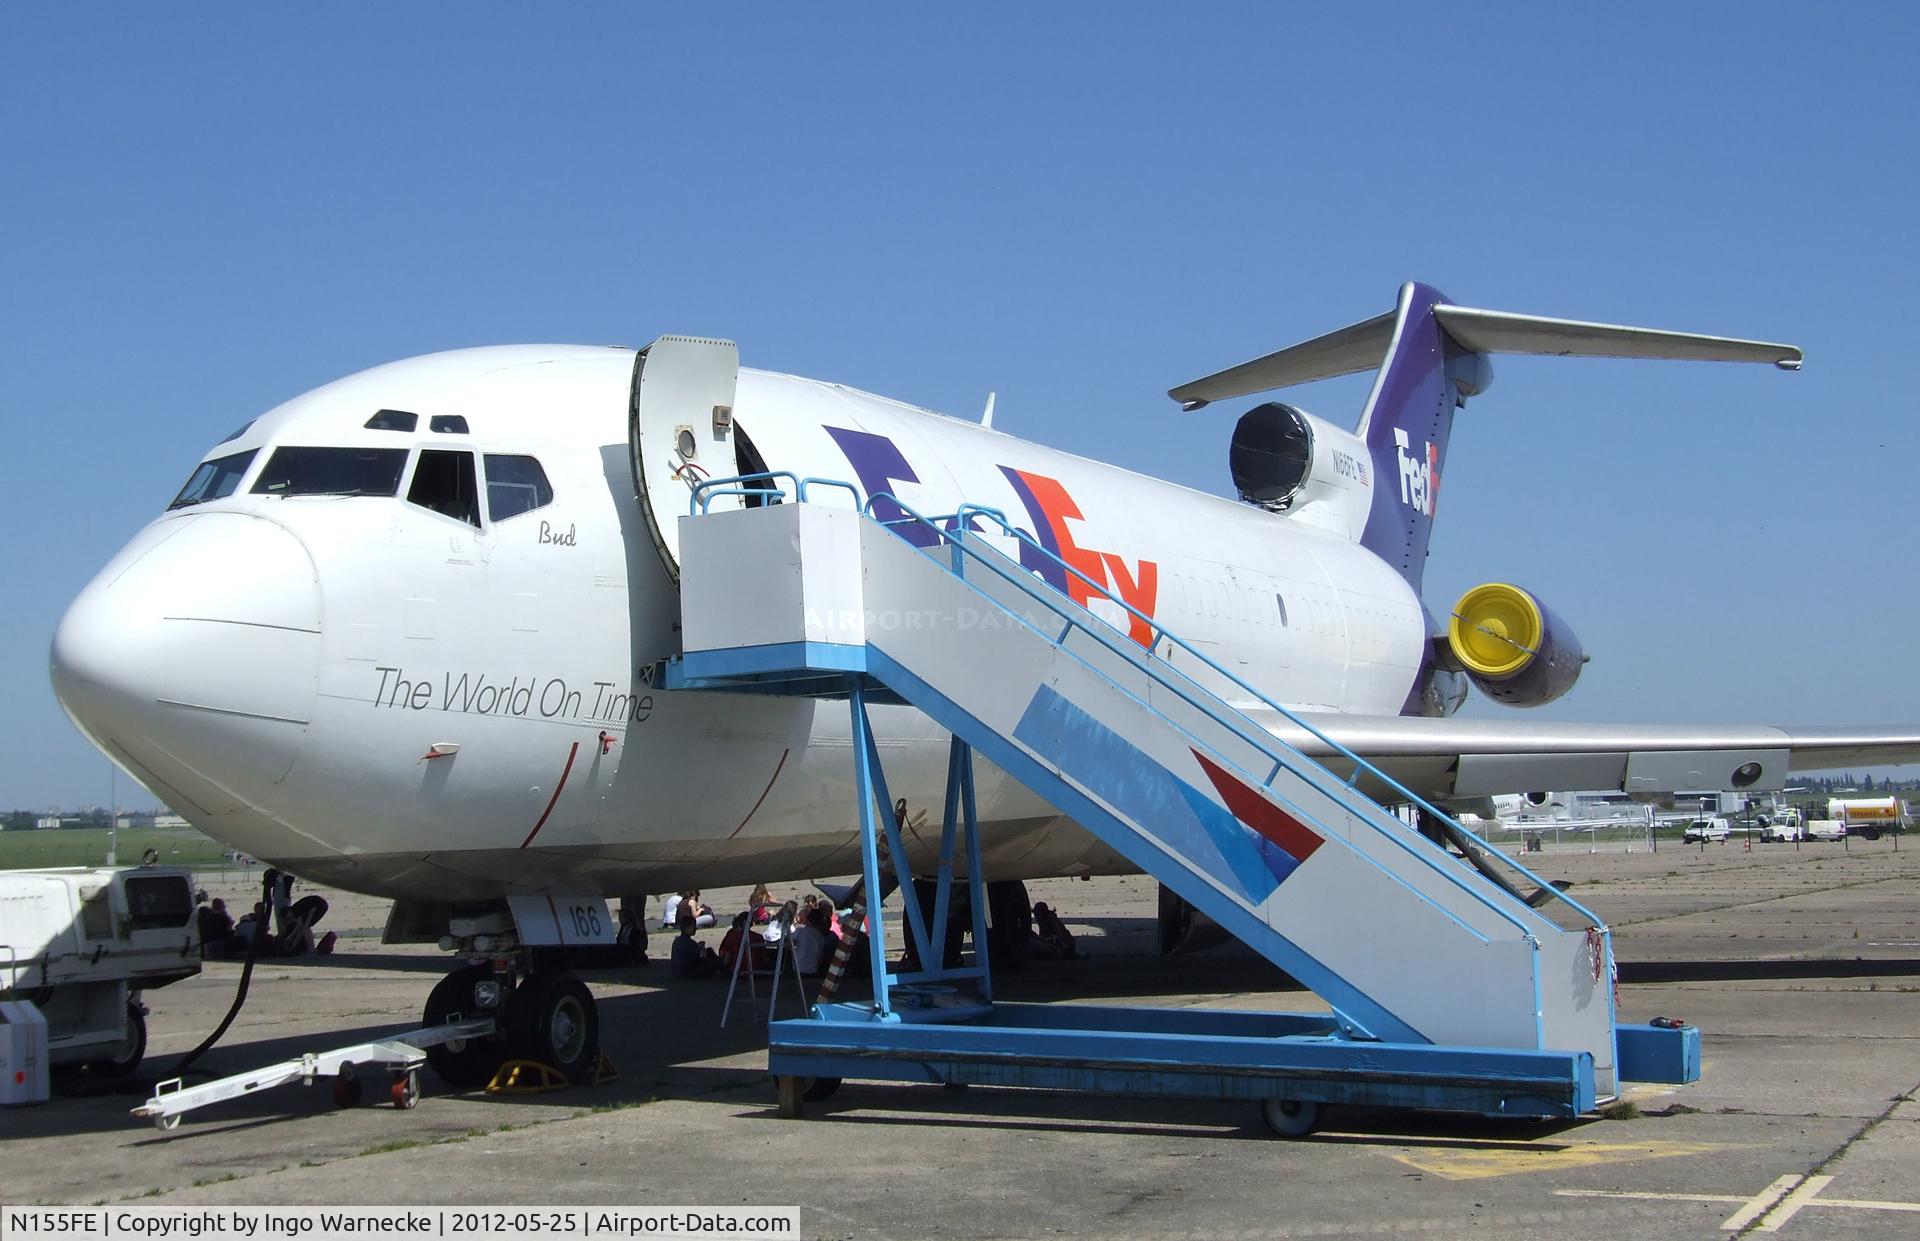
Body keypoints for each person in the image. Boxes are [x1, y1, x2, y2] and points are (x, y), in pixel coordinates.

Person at [668, 909, 722, 979]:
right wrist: (702, 948)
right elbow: (702, 957)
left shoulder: (678, 940)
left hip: (677, 972)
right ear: (686, 928)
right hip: (687, 973)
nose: (695, 929)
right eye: (693, 927)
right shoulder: (688, 942)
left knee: (709, 951)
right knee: (715, 961)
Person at [790, 904, 839, 975]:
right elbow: (820, 957)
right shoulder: (821, 937)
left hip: (796, 969)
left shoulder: (799, 931)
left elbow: (789, 939)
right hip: (813, 970)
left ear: (808, 920)